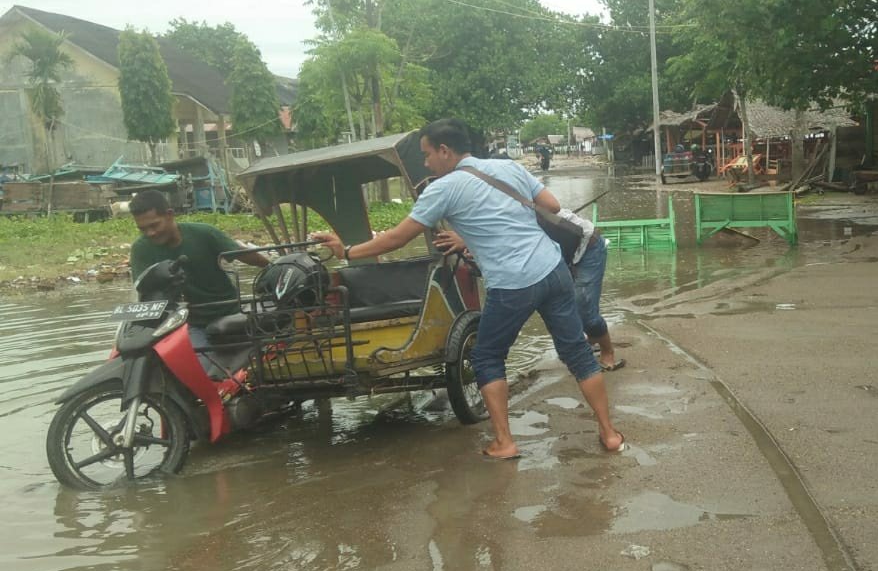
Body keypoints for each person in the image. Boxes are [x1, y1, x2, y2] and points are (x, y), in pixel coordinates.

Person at [309, 118, 624, 460]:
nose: (426, 163)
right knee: (577, 353)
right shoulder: (507, 167)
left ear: (445, 151)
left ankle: (504, 442)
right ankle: (609, 434)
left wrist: (347, 252)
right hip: (553, 268)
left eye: (427, 154)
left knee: (487, 357)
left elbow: (398, 238)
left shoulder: (443, 189)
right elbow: (550, 205)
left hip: (512, 284)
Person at [435, 204, 625, 371]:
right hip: (557, 253)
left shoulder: (508, 211)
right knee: (567, 309)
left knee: (585, 310)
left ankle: (607, 351)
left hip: (587, 247)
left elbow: (510, 232)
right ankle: (588, 343)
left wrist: (468, 240)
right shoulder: (489, 219)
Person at [128, 190, 270, 350]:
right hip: (186, 322)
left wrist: (271, 266)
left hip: (229, 312)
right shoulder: (141, 249)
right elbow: (141, 289)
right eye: (143, 229)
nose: (150, 233)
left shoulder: (203, 233)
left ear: (169, 215)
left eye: (154, 225)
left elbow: (242, 254)